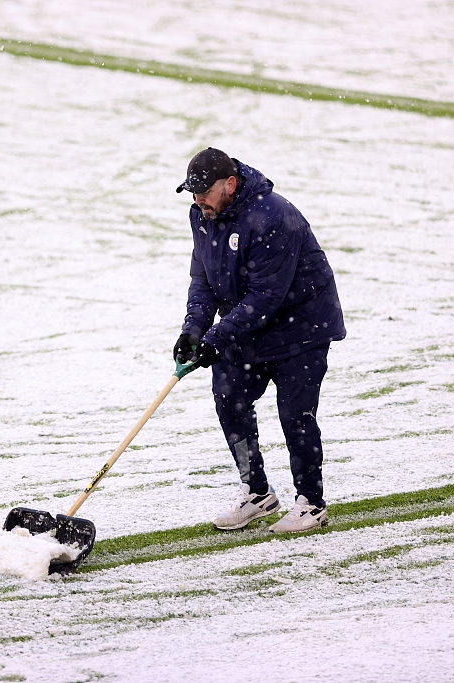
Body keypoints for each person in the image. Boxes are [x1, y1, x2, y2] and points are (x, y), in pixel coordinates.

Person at [173, 148, 346, 533]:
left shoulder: (272, 217)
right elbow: (203, 281)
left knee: (295, 415)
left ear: (230, 184)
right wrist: (194, 331)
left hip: (300, 328)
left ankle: (311, 503)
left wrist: (218, 335)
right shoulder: (202, 216)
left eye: (204, 192)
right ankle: (257, 492)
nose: (198, 201)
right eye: (193, 193)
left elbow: (267, 296)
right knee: (229, 398)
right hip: (248, 325)